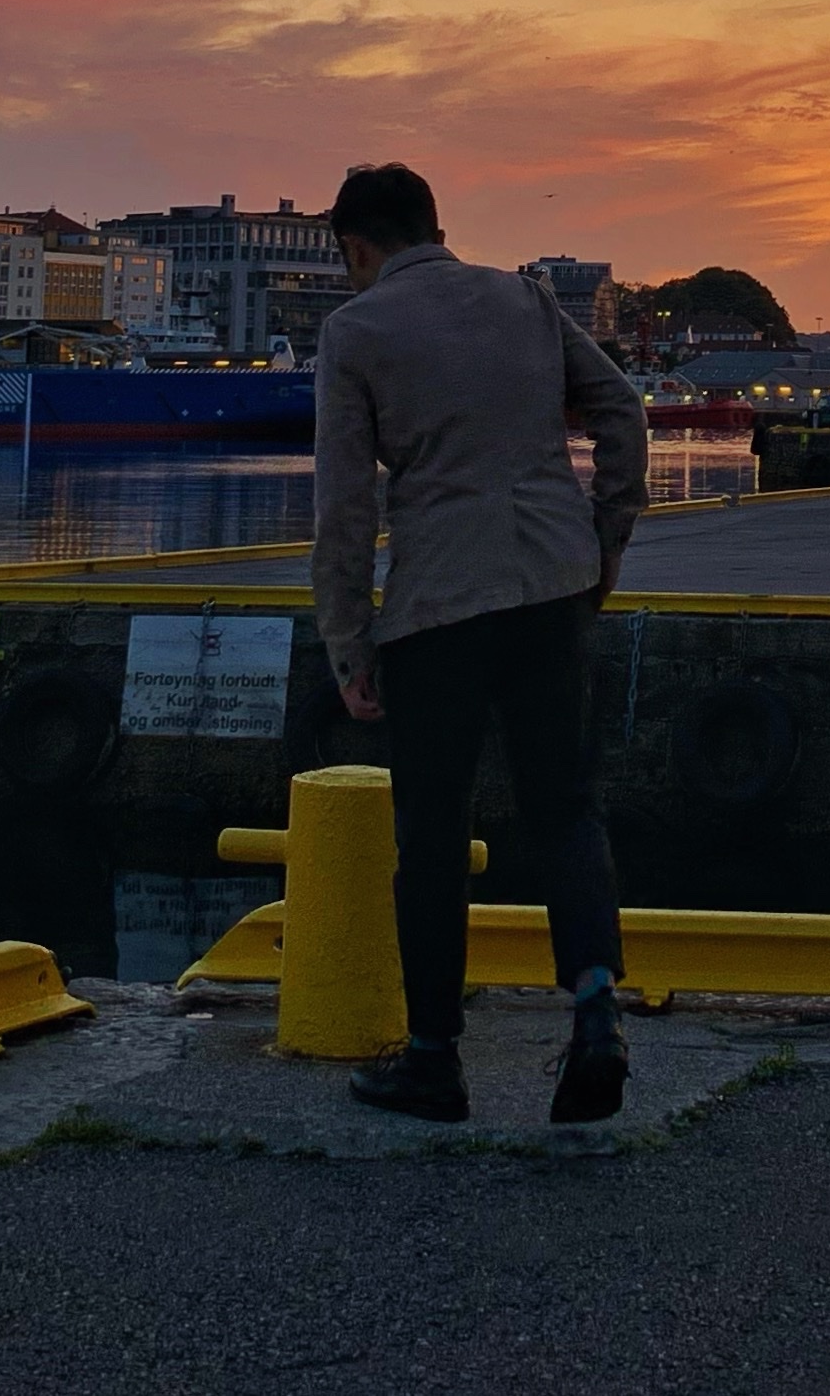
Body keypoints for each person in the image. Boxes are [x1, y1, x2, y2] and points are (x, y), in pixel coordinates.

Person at [308, 160, 649, 1124]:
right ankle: (595, 1017)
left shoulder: (355, 330)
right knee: (567, 808)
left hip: (437, 607)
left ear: (359, 246)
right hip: (553, 585)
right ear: (436, 225)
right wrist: (606, 538)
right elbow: (622, 410)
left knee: (433, 836)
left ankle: (433, 1059)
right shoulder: (527, 299)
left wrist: (347, 638)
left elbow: (344, 504)